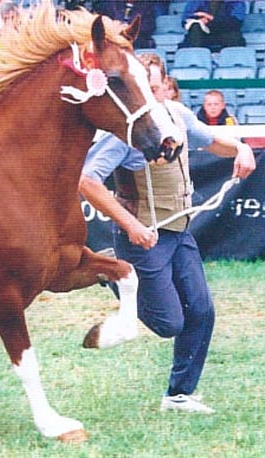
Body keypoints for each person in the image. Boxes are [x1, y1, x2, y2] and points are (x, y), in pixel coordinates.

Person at [78, 54, 256, 414]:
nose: (153, 94)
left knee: (202, 311)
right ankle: (112, 271)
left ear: (165, 85)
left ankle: (178, 395)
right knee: (168, 322)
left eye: (157, 87)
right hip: (143, 238)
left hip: (179, 232)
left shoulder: (177, 114)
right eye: (146, 87)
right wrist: (132, 227)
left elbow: (210, 141)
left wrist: (241, 148)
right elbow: (87, 180)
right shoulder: (125, 133)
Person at [92, 0, 167, 49]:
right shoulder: (112, 4)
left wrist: (130, 27)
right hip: (113, 37)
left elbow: (150, 26)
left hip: (136, 39)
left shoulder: (146, 6)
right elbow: (102, 20)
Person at [182, 0, 247, 52]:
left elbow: (236, 22)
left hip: (226, 33)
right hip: (203, 34)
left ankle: (231, 62)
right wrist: (200, 19)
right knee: (195, 27)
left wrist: (211, 18)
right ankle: (196, 59)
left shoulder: (236, 2)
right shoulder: (195, 1)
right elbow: (186, 19)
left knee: (233, 34)